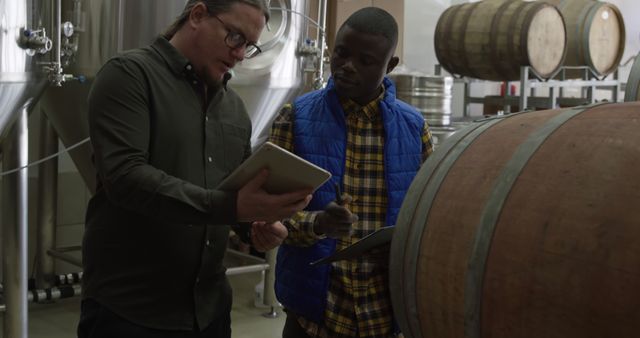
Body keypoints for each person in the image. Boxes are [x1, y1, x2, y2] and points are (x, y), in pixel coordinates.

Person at [77, 1, 314, 337]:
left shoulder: (233, 108)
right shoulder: (129, 75)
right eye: (235, 36)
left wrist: (256, 224)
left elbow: (230, 192)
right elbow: (126, 178)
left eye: (249, 44)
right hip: (131, 312)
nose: (241, 54)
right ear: (198, 15)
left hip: (210, 312)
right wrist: (232, 206)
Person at [269, 7, 434, 338]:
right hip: (314, 313)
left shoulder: (414, 130)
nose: (347, 66)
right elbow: (268, 213)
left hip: (384, 313)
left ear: (390, 66)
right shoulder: (295, 119)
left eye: (365, 61)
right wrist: (317, 224)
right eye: (341, 53)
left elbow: (428, 217)